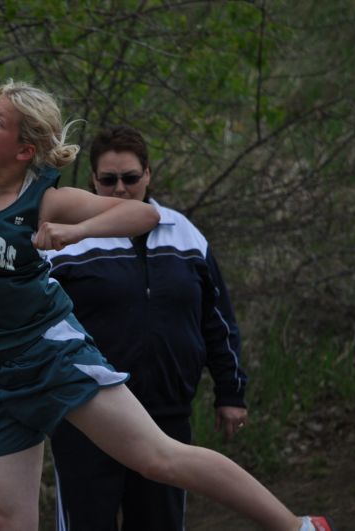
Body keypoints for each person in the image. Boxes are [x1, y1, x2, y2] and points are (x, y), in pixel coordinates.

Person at [0, 36, 335, 531]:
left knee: (157, 458)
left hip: (49, 355)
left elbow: (142, 219)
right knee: (10, 519)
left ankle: (297, 526)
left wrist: (74, 231)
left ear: (24, 150)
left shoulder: (46, 199)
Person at [46, 124, 248, 530]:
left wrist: (231, 392)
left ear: (148, 175)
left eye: (130, 178)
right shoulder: (66, 241)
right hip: (89, 413)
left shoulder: (185, 234)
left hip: (167, 411)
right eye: (108, 180)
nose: (120, 189)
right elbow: (41, 325)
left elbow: (217, 319)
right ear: (92, 180)